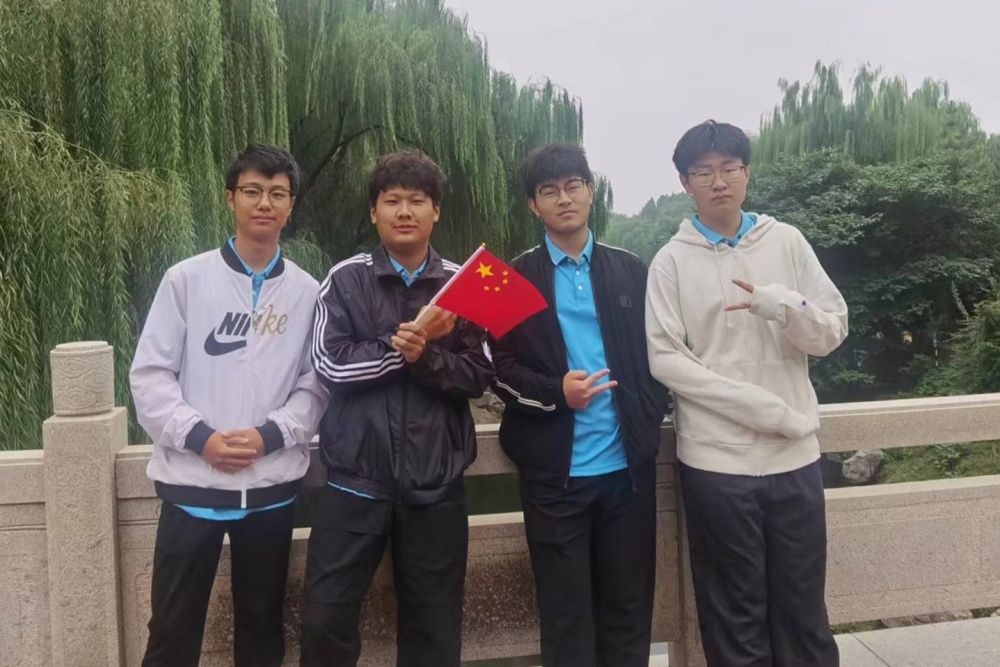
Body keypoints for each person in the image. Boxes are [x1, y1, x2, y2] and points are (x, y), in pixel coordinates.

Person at [645, 120, 847, 666]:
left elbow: (832, 331)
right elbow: (666, 359)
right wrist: (762, 409)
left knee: (803, 608)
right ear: (685, 182)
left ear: (747, 173)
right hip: (717, 464)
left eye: (729, 168)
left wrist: (784, 305)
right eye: (703, 172)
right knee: (734, 616)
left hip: (794, 458)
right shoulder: (671, 261)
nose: (719, 182)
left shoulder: (787, 242)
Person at [130, 144, 326, 666]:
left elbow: (316, 384)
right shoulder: (186, 280)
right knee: (171, 633)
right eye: (252, 191)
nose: (265, 203)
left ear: (291, 204)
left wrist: (271, 435)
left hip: (269, 490)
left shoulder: (307, 292)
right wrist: (201, 438)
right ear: (230, 198)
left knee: (261, 632)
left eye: (278, 193)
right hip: (191, 485)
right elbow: (150, 375)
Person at [301, 149, 493, 667]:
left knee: (434, 631)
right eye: (392, 201)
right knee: (324, 620)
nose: (404, 211)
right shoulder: (345, 279)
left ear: (436, 211)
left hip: (437, 484)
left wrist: (426, 356)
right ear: (374, 212)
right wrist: (399, 349)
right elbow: (329, 364)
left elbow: (480, 375)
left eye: (417, 200)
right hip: (354, 481)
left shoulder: (465, 283)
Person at [491, 143, 671, 667]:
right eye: (549, 191)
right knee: (565, 615)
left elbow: (660, 353)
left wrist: (645, 418)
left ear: (591, 192)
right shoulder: (510, 277)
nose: (564, 198)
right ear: (534, 205)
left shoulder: (630, 270)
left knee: (628, 608)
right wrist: (556, 392)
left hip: (626, 472)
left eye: (573, 186)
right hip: (555, 479)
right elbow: (497, 368)